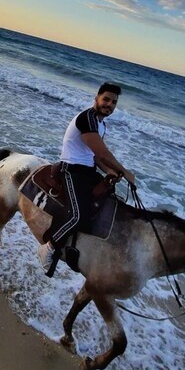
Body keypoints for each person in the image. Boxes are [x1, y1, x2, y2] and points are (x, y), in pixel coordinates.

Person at [37, 82, 136, 271]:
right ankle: (49, 247)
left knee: (110, 202)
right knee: (78, 214)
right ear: (97, 98)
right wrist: (125, 171)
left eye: (114, 102)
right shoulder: (87, 118)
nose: (109, 104)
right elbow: (104, 153)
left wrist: (109, 171)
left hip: (87, 170)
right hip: (70, 170)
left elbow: (96, 156)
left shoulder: (101, 125)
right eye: (106, 99)